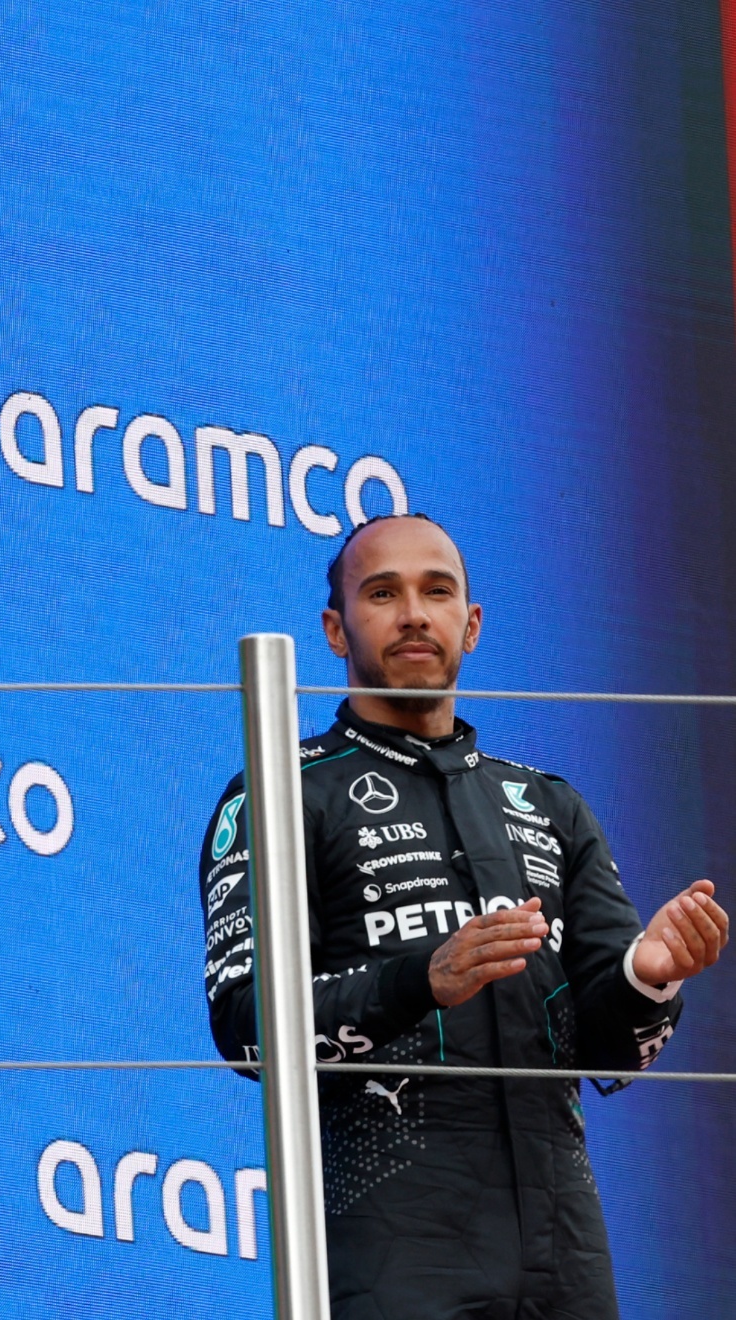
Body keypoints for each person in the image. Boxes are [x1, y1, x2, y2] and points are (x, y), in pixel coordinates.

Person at [198, 513, 726, 1319]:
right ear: (336, 631)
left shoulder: (550, 805)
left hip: (564, 1246)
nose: (414, 613)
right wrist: (423, 979)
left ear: (470, 625)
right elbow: (244, 1028)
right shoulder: (280, 790)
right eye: (383, 593)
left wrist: (648, 979)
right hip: (390, 1241)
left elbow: (609, 1046)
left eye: (436, 592)